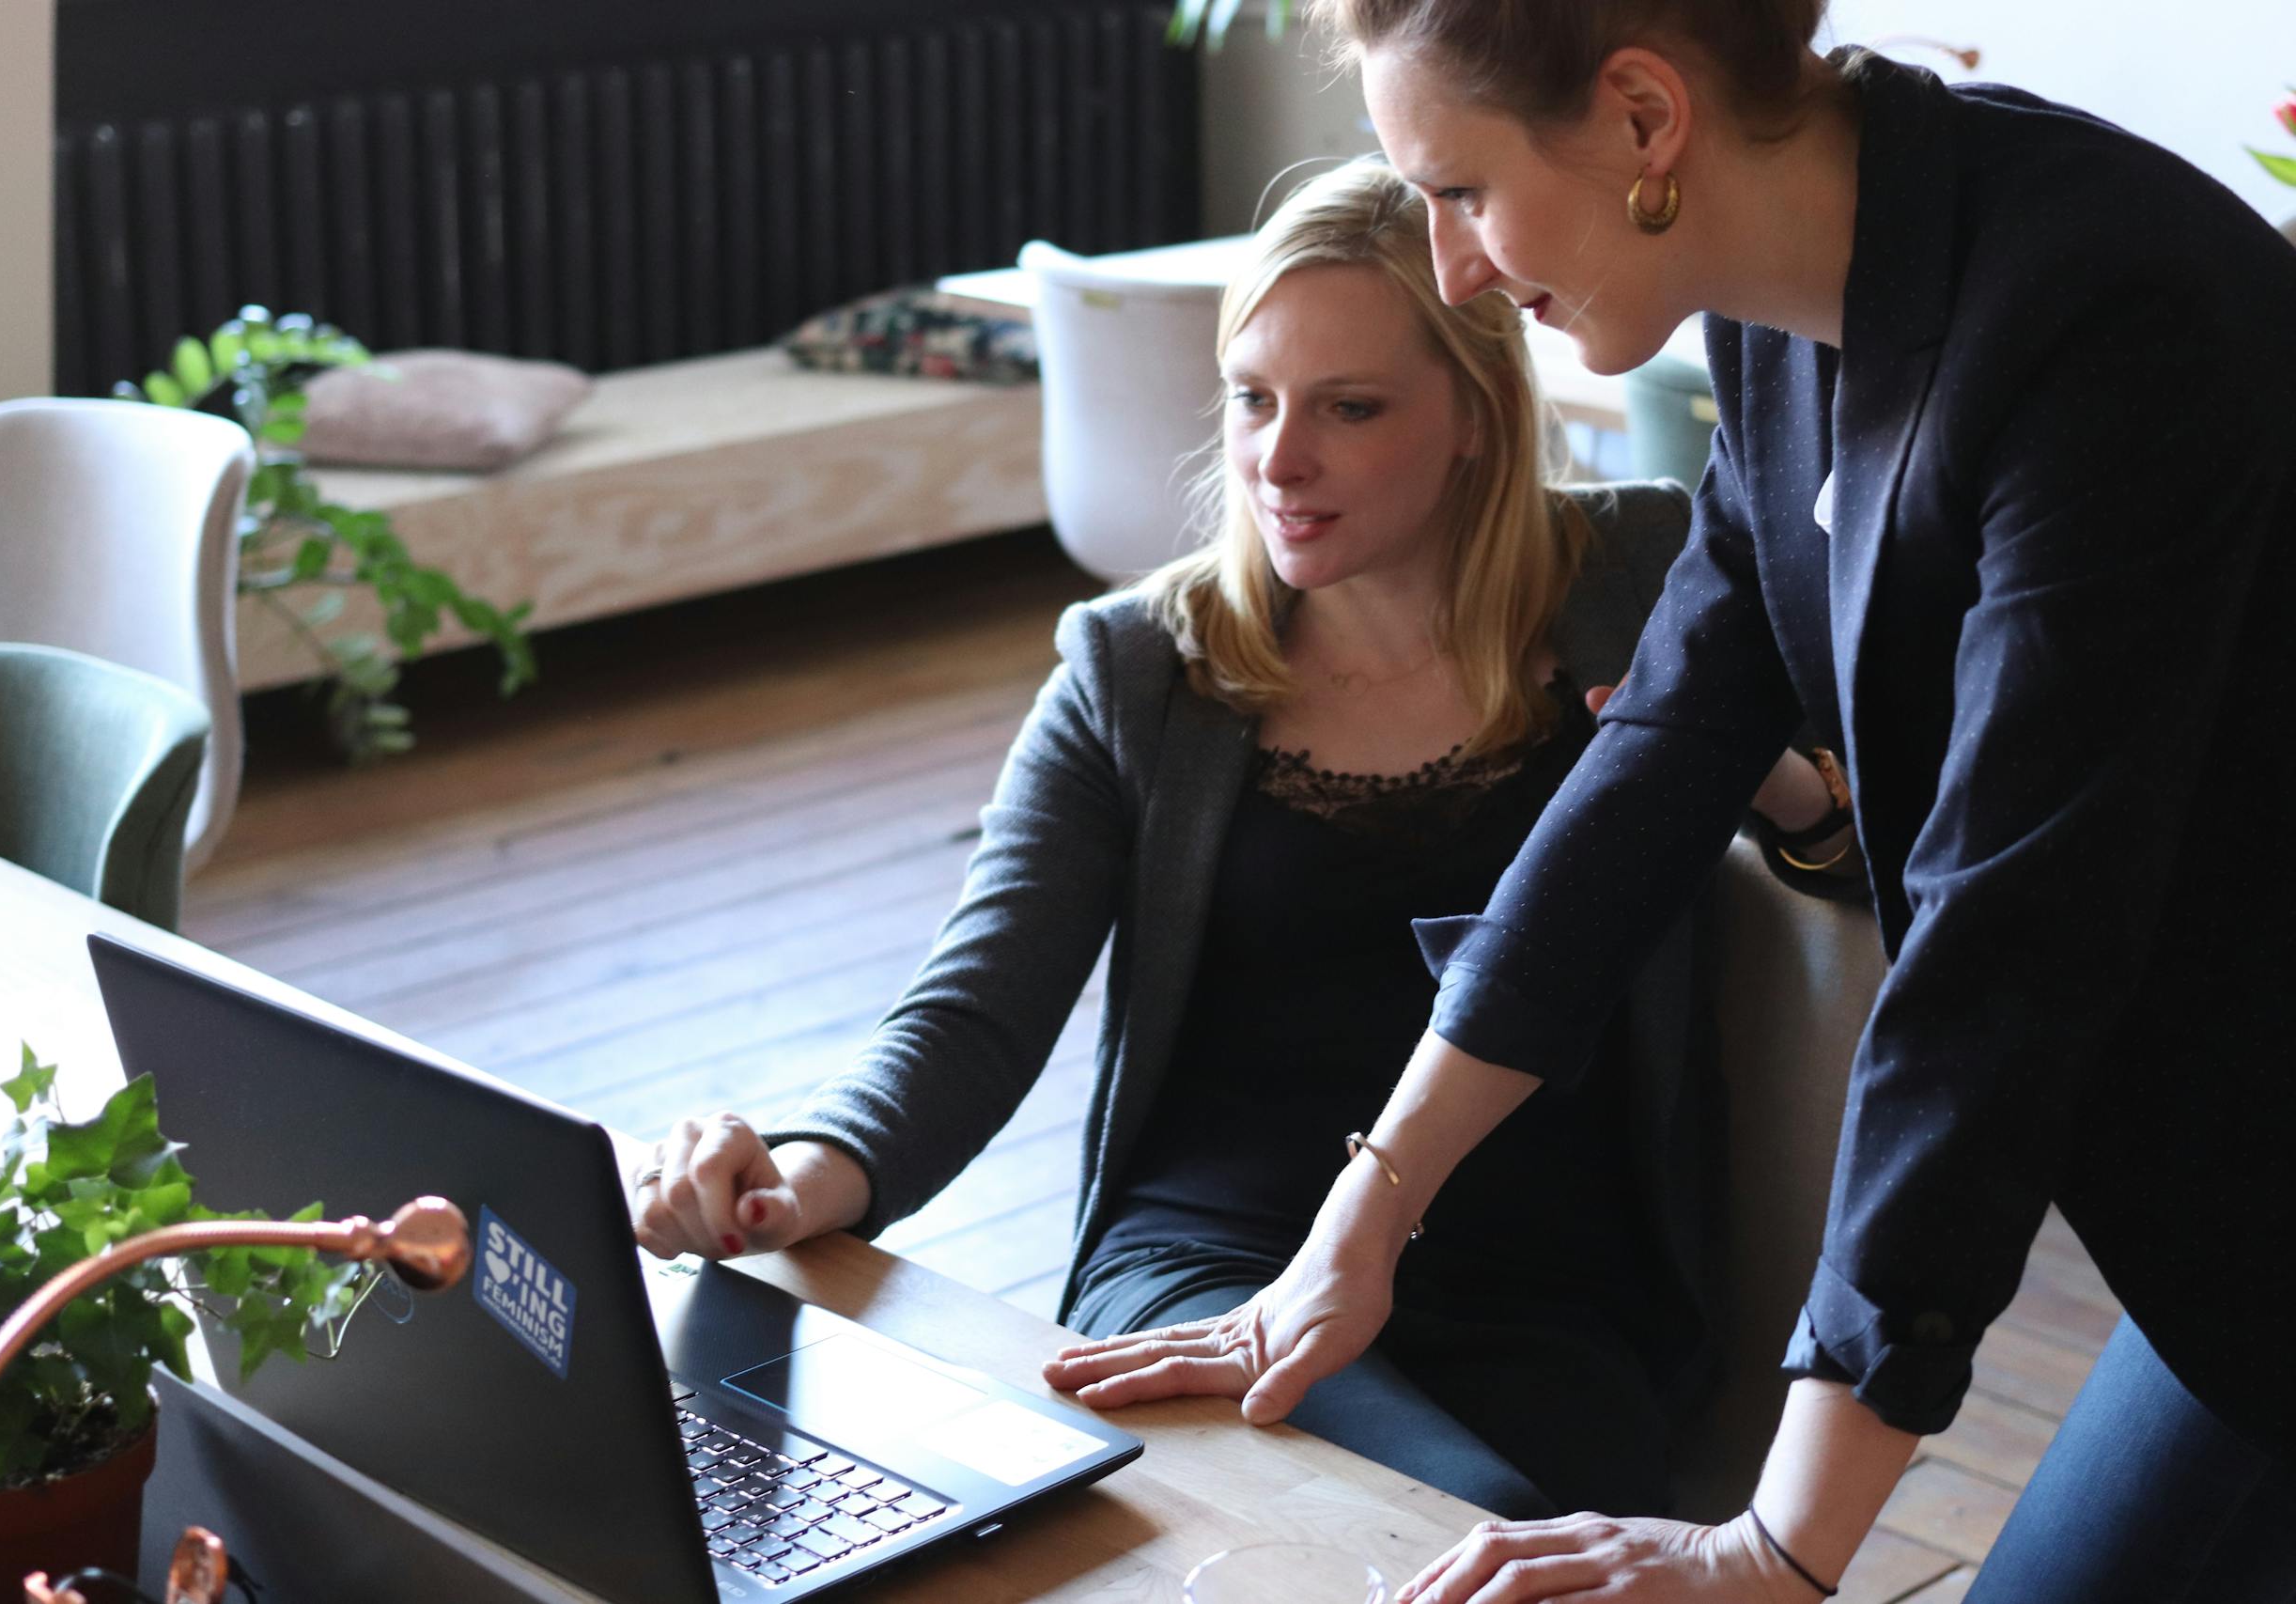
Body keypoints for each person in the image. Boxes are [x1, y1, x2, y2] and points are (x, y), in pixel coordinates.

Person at [1047, 4, 2296, 1600]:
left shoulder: (2106, 312)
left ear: (1645, 118)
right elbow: (1662, 750)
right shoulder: (1790, 319)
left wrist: (1773, 1552)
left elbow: (2006, 951)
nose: (1454, 272)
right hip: (2220, 1198)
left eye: (1464, 191)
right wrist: (1359, 1225)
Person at [629, 156, 1846, 1519]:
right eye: (1253, 399)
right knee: (1445, 1521)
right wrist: (800, 1178)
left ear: (1476, 417)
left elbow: (1871, 863)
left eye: (1350, 408)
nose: (1279, 459)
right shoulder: (1141, 669)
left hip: (1552, 1292)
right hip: (1213, 1265)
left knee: (1489, 1523)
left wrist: (1776, 787)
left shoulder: (1644, 577)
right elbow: (974, 1010)